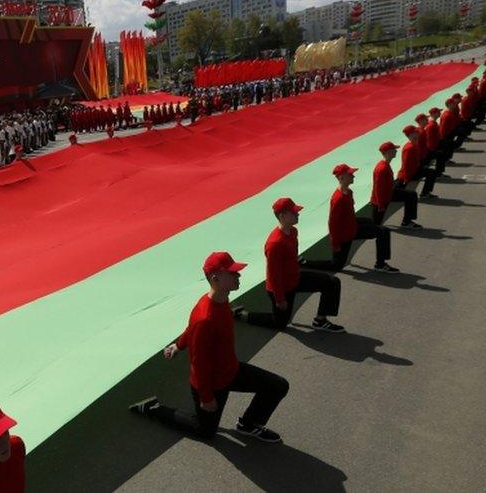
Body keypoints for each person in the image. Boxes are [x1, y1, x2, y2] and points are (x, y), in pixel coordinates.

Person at [129, 252, 289, 443]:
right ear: (216, 278)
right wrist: (206, 398)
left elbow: (190, 330)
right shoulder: (206, 318)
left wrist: (178, 346)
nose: (238, 276)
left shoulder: (221, 300)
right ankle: (154, 409)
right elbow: (200, 363)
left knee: (278, 386)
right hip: (211, 385)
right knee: (204, 431)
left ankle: (248, 424)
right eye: (233, 273)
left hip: (231, 371)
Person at [235, 198, 345, 332]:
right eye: (294, 213)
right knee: (279, 323)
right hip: (282, 287)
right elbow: (273, 275)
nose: (298, 214)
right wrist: (280, 299)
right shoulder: (275, 244)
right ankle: (241, 315)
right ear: (282, 216)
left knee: (332, 283)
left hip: (295, 278)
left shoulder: (293, 231)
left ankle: (320, 320)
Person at [302, 164, 398, 273]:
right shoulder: (338, 199)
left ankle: (380, 264)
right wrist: (335, 244)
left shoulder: (349, 192)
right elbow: (333, 223)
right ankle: (305, 263)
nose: (353, 176)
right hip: (345, 235)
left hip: (352, 226)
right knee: (336, 265)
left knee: (381, 230)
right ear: (341, 178)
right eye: (350, 174)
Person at [371, 141, 421, 228]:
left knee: (411, 195)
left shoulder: (385, 165)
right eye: (394, 150)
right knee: (376, 227)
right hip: (381, 199)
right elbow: (378, 188)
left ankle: (407, 222)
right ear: (388, 152)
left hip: (388, 194)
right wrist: (380, 205)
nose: (396, 151)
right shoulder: (382, 168)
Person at [397, 125, 437, 198]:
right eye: (416, 132)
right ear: (411, 134)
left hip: (415, 170)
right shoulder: (409, 148)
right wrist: (406, 178)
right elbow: (406, 165)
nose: (418, 134)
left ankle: (425, 193)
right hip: (408, 173)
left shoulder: (414, 144)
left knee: (431, 172)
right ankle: (425, 193)